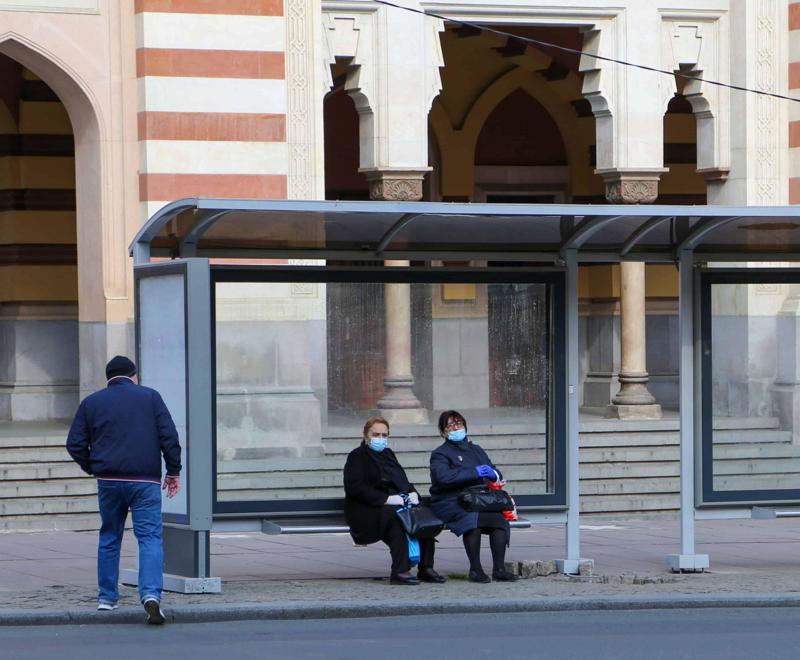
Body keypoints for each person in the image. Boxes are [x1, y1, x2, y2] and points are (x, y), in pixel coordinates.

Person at [66, 355, 182, 624]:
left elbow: (74, 443)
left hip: (109, 480)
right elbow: (169, 436)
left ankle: (107, 598)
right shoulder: (150, 397)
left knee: (110, 536)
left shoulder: (91, 403)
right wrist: (173, 471)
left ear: (108, 378)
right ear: (133, 375)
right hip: (145, 481)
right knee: (150, 538)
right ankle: (151, 595)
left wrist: (93, 466)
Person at [343, 416, 446, 585]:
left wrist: (412, 494)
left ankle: (426, 567)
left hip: (393, 505)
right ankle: (400, 570)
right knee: (396, 520)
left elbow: (402, 481)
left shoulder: (388, 454)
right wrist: (386, 499)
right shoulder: (357, 456)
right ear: (366, 435)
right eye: (376, 434)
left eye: (385, 435)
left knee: (422, 517)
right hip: (366, 509)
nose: (381, 439)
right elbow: (355, 488)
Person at [429, 410, 518, 583]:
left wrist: (493, 474)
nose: (456, 427)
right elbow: (444, 478)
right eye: (450, 425)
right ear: (443, 432)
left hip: (478, 499)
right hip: (451, 499)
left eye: (459, 423)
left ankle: (499, 569)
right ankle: (475, 569)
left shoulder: (476, 449)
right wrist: (474, 472)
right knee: (472, 519)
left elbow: (494, 470)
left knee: (499, 521)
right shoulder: (440, 453)